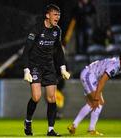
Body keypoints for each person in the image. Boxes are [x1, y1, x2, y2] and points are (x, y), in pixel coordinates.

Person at [22, 4, 70, 136]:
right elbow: (26, 51)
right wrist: (26, 70)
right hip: (35, 66)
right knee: (36, 97)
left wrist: (63, 68)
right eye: (55, 14)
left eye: (59, 15)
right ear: (48, 15)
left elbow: (59, 50)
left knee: (52, 98)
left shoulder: (57, 30)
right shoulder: (37, 29)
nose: (57, 17)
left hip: (49, 67)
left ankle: (50, 129)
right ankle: (28, 121)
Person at [67, 49, 121, 135]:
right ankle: (90, 129)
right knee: (98, 102)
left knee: (91, 104)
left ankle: (74, 126)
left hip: (90, 75)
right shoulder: (115, 66)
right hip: (89, 74)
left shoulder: (119, 65)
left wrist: (95, 97)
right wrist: (96, 98)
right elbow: (102, 81)